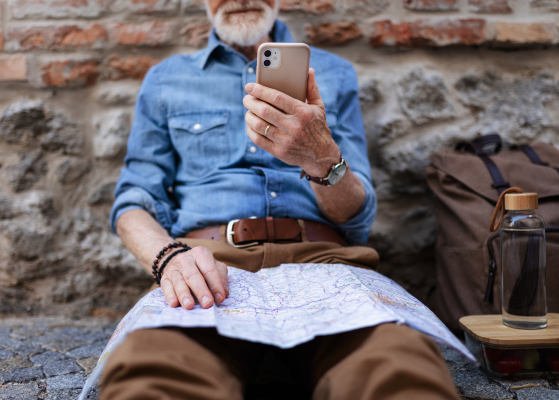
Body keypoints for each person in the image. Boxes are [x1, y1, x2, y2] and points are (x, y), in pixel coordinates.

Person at [101, 0, 462, 398]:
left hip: (324, 262)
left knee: (399, 366)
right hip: (209, 267)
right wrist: (170, 259)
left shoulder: (335, 73)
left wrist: (322, 158)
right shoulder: (165, 79)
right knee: (154, 370)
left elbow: (356, 219)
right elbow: (134, 201)